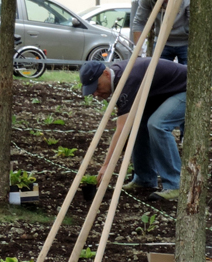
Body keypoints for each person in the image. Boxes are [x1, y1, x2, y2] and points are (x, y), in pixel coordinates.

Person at [79, 56, 189, 201]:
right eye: (92, 91)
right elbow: (128, 126)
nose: (96, 94)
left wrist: (107, 166)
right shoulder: (116, 79)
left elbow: (122, 130)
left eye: (97, 87)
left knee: (157, 125)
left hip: (185, 89)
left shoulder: (127, 81)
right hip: (162, 94)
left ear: (106, 74)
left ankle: (175, 185)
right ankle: (145, 179)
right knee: (138, 125)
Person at [130, 0, 190, 64]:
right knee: (157, 73)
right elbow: (139, 21)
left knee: (187, 74)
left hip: (185, 42)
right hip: (162, 41)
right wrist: (138, 50)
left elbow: (194, 24)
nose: (162, 0)